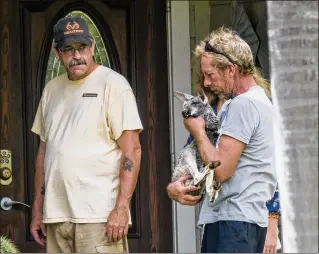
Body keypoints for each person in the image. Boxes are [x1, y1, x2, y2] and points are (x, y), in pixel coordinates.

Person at [30, 16, 143, 253]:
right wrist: (38, 209)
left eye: (82, 47)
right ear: (57, 53)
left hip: (99, 217)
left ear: (92, 47)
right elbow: (44, 152)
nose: (76, 56)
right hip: (57, 217)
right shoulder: (51, 90)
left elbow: (132, 149)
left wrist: (121, 209)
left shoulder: (113, 85)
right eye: (68, 49)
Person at [167, 27, 277, 253]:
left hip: (234, 224)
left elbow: (221, 171)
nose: (206, 83)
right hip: (243, 222)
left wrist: (197, 131)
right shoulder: (260, 102)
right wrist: (180, 186)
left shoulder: (243, 105)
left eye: (210, 75)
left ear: (230, 69)